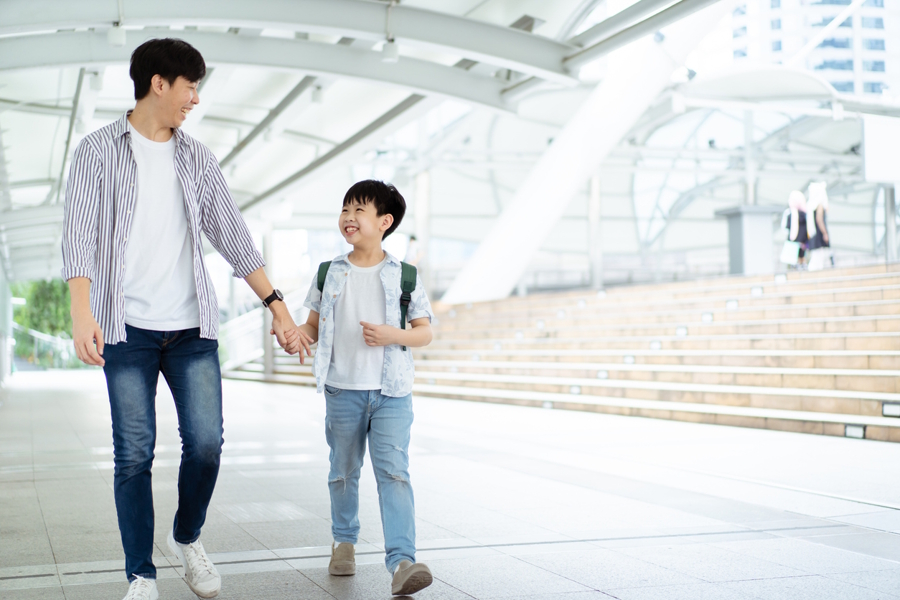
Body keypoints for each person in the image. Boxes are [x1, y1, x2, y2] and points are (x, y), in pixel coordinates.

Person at [61, 38, 304, 600]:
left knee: (206, 446)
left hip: (192, 328)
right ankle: (140, 575)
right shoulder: (96, 151)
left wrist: (278, 308)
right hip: (126, 330)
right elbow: (77, 238)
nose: (195, 99)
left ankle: (186, 537)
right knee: (134, 452)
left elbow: (233, 235)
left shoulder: (196, 158)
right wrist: (82, 314)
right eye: (190, 86)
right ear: (158, 83)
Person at [294, 180, 436, 596]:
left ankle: (402, 561)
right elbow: (313, 327)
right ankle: (344, 543)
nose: (349, 217)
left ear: (384, 221)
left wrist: (394, 334)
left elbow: (424, 333)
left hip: (392, 392)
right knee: (342, 472)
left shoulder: (405, 275)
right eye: (345, 209)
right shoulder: (329, 271)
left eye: (359, 210)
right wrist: (296, 335)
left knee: (394, 474)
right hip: (343, 389)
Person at [806, 181, 831, 270]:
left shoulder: (810, 205)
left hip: (813, 234)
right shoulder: (819, 205)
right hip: (818, 234)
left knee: (816, 256)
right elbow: (819, 220)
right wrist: (825, 233)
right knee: (819, 257)